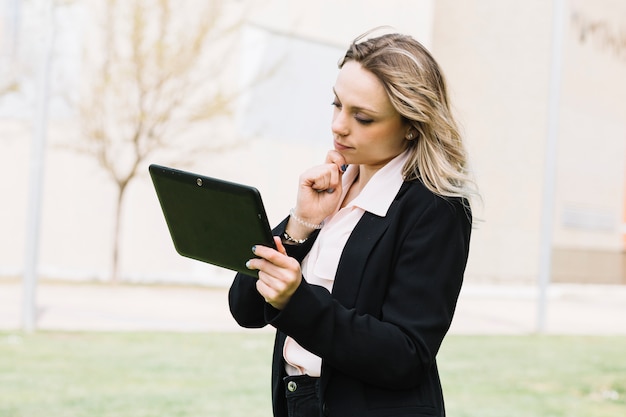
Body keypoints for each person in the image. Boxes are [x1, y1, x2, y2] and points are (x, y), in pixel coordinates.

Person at [229, 29, 477, 417]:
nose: (339, 126)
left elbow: (406, 354)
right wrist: (301, 224)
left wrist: (297, 301)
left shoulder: (436, 209)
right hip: (299, 401)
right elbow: (244, 308)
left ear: (412, 124)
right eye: (337, 104)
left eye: (363, 117)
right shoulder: (331, 185)